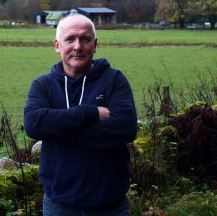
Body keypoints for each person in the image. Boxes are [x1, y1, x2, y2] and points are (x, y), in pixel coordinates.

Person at [24, 13, 137, 215]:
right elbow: (34, 124)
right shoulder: (43, 85)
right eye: (70, 39)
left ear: (94, 44)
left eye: (84, 39)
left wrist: (59, 129)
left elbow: (126, 128)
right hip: (59, 205)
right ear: (57, 45)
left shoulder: (114, 80)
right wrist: (90, 113)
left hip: (110, 205)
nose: (77, 46)